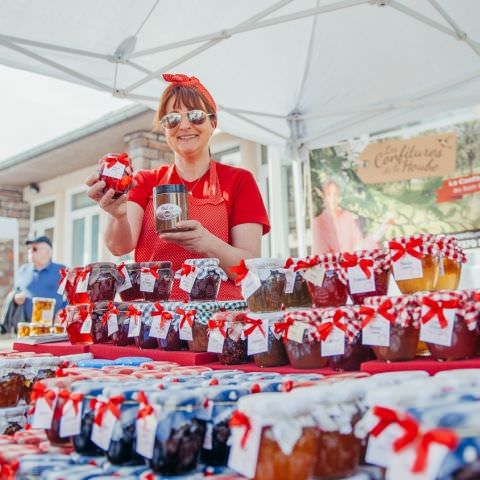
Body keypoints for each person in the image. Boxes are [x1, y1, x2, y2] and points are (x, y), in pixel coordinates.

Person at [86, 73, 270, 299]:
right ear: (164, 129)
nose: (184, 125)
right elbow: (118, 247)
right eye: (172, 118)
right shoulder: (145, 181)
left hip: (216, 321)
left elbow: (249, 269)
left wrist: (207, 243)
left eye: (195, 116)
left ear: (213, 124)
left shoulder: (239, 181)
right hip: (154, 320)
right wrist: (117, 215)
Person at [312, 180, 393, 254]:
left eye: (335, 194)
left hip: (352, 263)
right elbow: (322, 254)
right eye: (329, 195)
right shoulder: (318, 222)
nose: (333, 199)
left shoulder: (346, 216)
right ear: (324, 197)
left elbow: (359, 244)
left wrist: (382, 229)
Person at [14, 236, 67, 322]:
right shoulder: (23, 270)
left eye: (35, 249)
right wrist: (16, 297)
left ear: (48, 252)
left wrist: (63, 310)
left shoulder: (62, 270)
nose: (30, 251)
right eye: (29, 248)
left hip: (53, 328)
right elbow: (16, 291)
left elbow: (73, 297)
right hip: (27, 328)